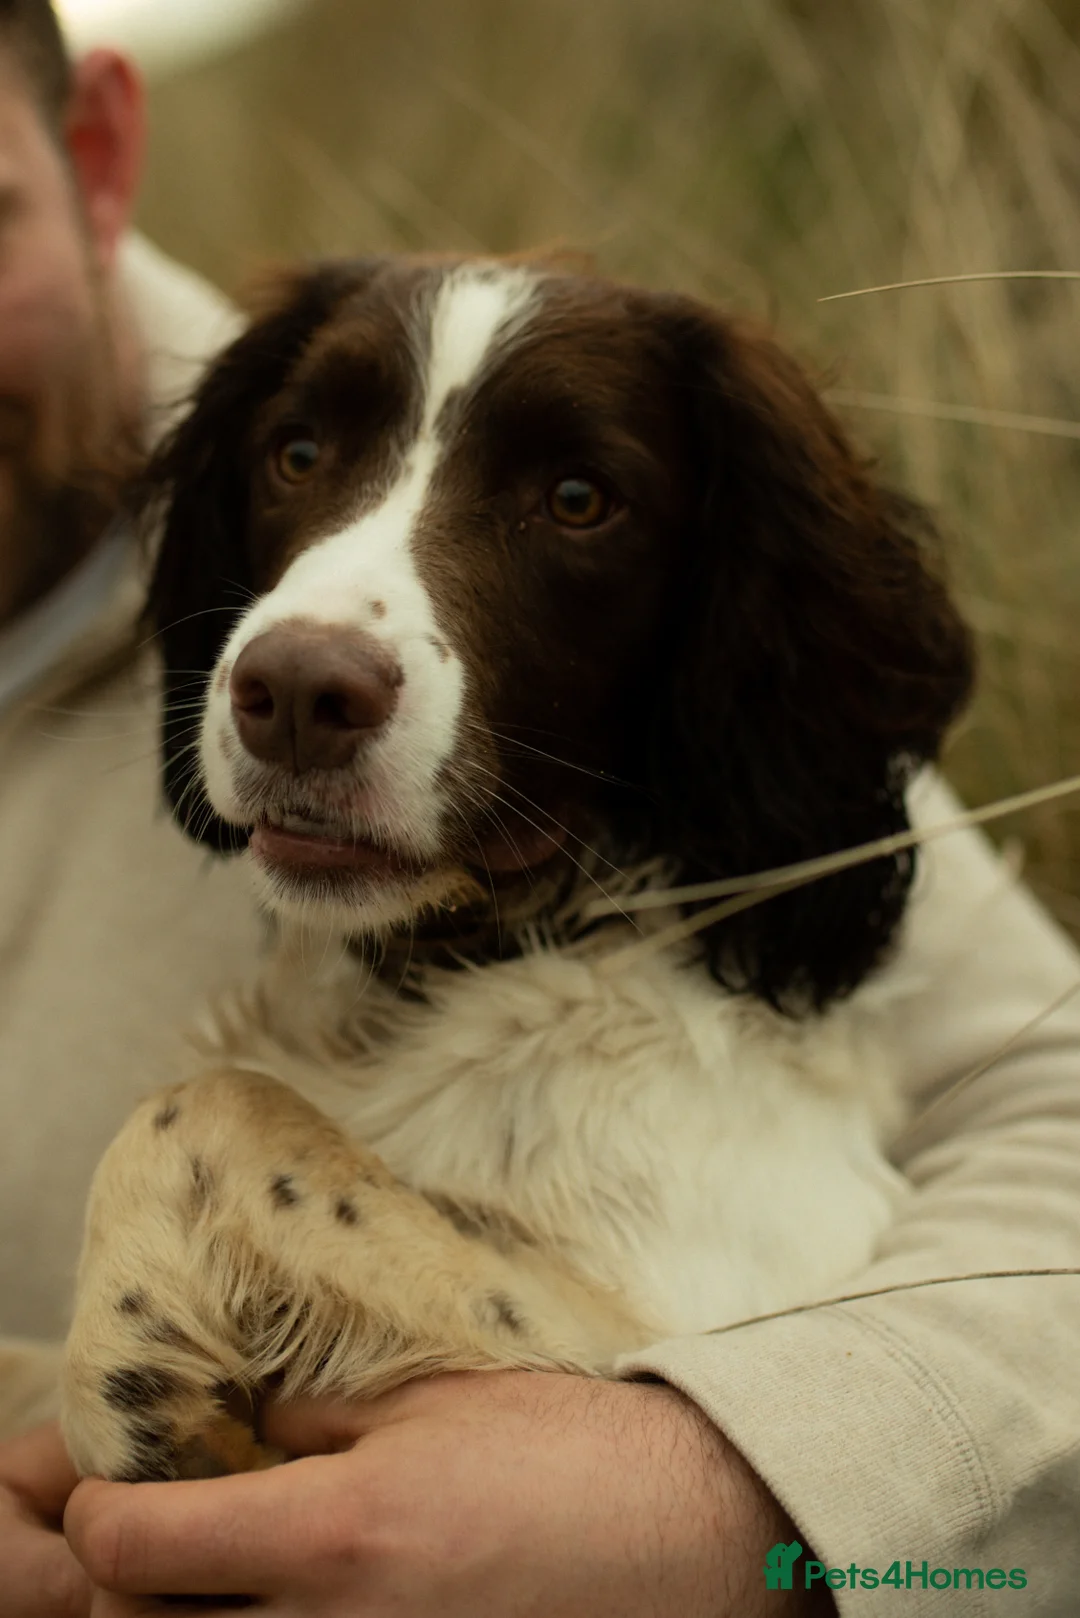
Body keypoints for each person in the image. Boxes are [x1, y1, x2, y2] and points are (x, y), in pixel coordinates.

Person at [1, 3, 1079, 1613]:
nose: (309, 649)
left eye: (573, 497)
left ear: (91, 150)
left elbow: (1057, 1111)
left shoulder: (737, 849)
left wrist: (738, 1519)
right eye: (304, 460)